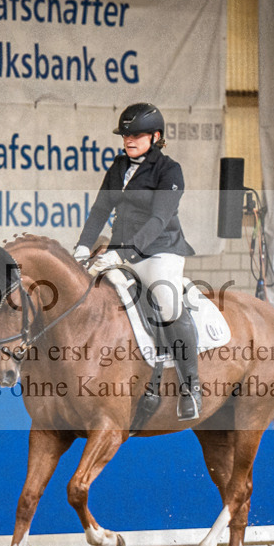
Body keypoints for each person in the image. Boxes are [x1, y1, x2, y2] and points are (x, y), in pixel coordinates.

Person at [73, 102, 200, 420]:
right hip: (117, 251)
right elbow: (100, 210)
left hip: (159, 252)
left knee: (168, 304)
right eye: (126, 135)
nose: (129, 140)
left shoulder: (170, 170)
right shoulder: (118, 167)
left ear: (155, 136)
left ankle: (191, 387)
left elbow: (159, 219)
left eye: (137, 135)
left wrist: (125, 253)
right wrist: (82, 247)